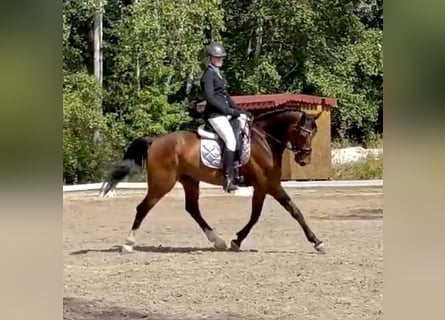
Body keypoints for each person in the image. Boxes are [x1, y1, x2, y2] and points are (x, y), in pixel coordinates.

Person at [200, 43, 247, 193]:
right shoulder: (208, 75)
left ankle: (239, 171)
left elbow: (226, 96)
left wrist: (239, 110)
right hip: (215, 115)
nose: (220, 59)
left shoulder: (219, 74)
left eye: (221, 57)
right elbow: (211, 98)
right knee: (230, 141)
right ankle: (227, 179)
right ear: (209, 58)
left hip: (225, 113)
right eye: (217, 57)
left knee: (241, 131)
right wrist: (228, 110)